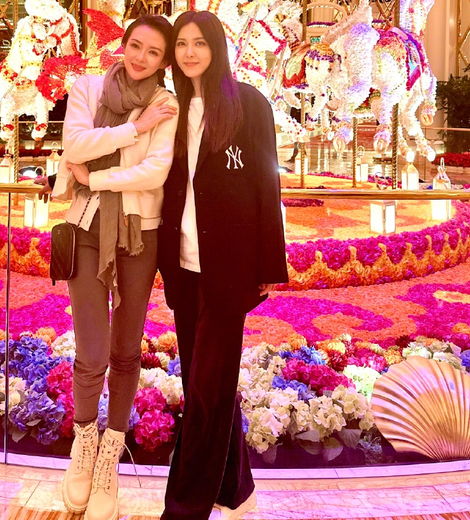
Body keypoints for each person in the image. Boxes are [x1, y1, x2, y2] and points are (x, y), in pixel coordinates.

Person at [157, 11, 288, 520]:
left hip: (228, 267)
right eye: (181, 44)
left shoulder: (248, 104)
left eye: (200, 43)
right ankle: (235, 487)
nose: (189, 52)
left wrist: (267, 264)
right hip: (182, 265)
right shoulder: (169, 107)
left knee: (205, 392)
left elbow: (266, 184)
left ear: (217, 48)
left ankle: (184, 508)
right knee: (205, 384)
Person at [47, 14, 179, 520]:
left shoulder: (167, 103)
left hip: (140, 235)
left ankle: (110, 457)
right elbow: (75, 145)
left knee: (125, 350)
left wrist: (96, 180)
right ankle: (84, 445)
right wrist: (135, 128)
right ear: (123, 45)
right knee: (92, 349)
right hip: (86, 228)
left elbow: (156, 172)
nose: (141, 57)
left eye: (154, 52)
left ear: (164, 62)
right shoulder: (87, 88)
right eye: (136, 46)